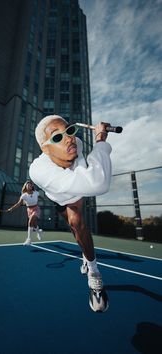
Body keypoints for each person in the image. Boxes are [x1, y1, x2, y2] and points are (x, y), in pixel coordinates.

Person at [29, 115, 112, 313]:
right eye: (57, 137)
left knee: (77, 223)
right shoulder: (39, 170)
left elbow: (96, 182)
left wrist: (96, 150)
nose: (69, 138)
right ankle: (85, 252)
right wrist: (100, 141)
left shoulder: (78, 144)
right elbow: (98, 181)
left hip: (78, 189)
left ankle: (94, 273)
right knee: (74, 229)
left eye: (70, 131)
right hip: (59, 195)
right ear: (45, 148)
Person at [6, 180, 43, 245]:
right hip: (29, 210)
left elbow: (41, 197)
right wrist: (12, 208)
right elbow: (18, 204)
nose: (29, 186)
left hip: (36, 209)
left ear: (32, 186)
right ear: (25, 187)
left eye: (30, 185)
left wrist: (44, 199)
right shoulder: (24, 195)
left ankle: (29, 239)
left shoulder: (36, 193)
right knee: (34, 224)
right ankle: (38, 231)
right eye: (28, 185)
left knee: (30, 221)